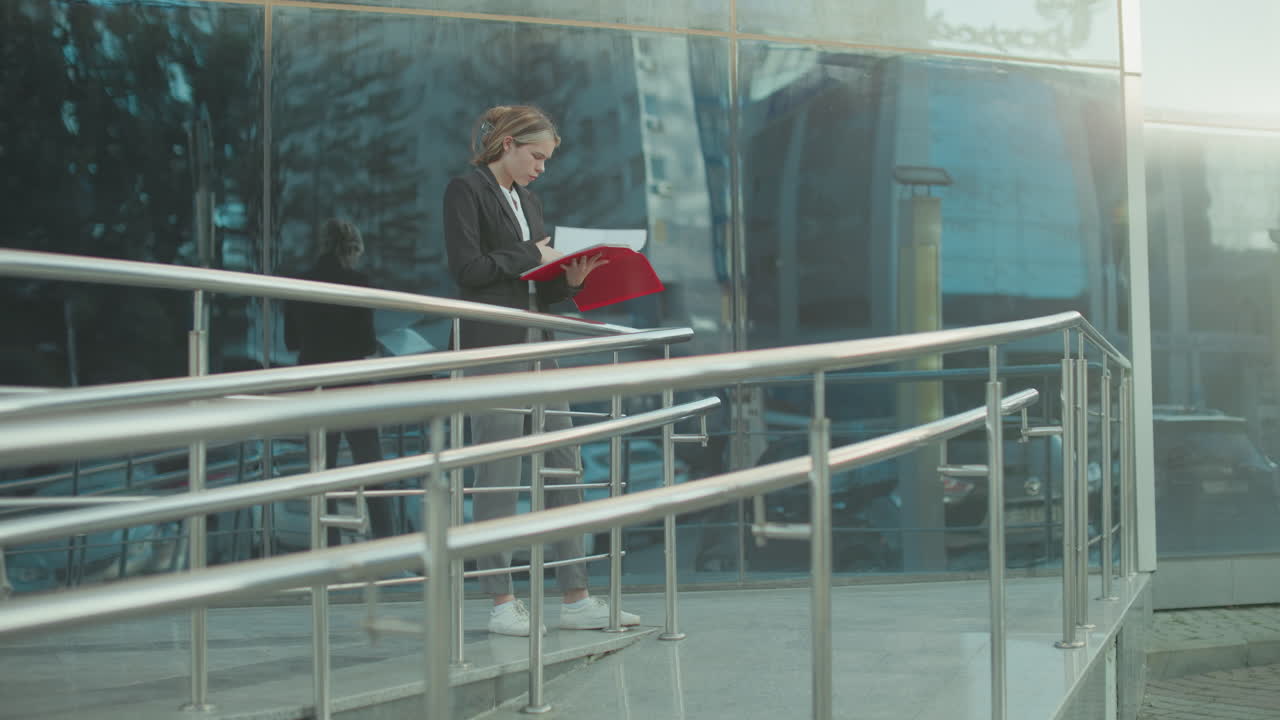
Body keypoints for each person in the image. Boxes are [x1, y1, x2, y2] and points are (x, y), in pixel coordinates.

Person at [443, 105, 638, 636]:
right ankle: (501, 602)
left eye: (546, 160)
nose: (541, 168)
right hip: (494, 352)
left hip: (538, 347)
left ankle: (576, 598)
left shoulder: (529, 200)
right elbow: (469, 269)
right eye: (536, 156)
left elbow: (536, 285)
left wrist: (570, 278)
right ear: (507, 144)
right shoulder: (466, 190)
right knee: (498, 476)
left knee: (564, 467)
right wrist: (531, 252)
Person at [284, 218, 396, 546]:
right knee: (371, 467)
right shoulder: (357, 283)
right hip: (351, 384)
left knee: (323, 471)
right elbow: (365, 343)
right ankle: (387, 543)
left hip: (315, 384)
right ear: (353, 249)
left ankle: (328, 546)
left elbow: (291, 341)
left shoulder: (300, 284)